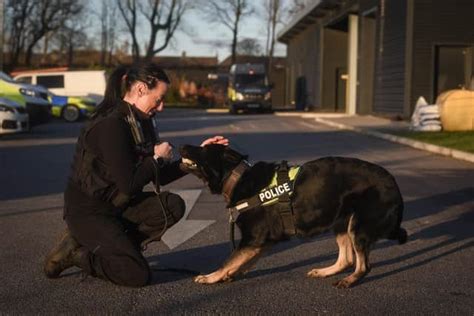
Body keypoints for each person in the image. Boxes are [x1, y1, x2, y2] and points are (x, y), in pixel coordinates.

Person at [43, 62, 228, 287]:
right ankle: (78, 253)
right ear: (140, 89)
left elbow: (159, 175)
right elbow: (129, 184)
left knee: (172, 206)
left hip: (118, 205)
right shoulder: (111, 125)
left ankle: (116, 249)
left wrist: (197, 157)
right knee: (137, 275)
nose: (161, 107)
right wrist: (156, 158)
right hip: (89, 212)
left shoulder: (141, 122)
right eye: (158, 99)